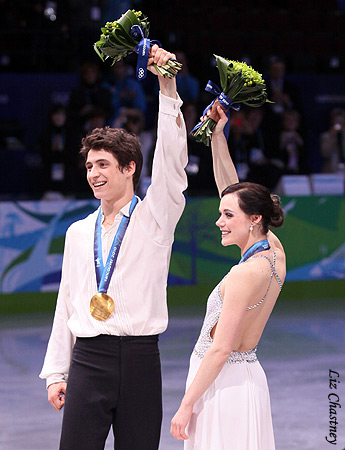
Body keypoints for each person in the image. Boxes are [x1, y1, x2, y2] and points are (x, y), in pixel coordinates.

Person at [39, 45, 188, 450]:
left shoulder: (155, 220)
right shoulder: (76, 233)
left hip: (141, 360)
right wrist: (56, 372)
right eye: (89, 165)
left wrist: (167, 85)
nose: (94, 173)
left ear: (129, 168)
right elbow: (66, 303)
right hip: (87, 359)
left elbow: (172, 166)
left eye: (103, 164)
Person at [171, 105, 286, 449]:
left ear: (253, 219)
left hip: (221, 386)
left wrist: (186, 403)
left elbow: (221, 349)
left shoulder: (243, 274)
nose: (219, 221)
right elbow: (233, 189)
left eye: (226, 215)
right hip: (247, 381)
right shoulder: (275, 254)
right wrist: (218, 137)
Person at [320, 107, 345, 173]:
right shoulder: (326, 136)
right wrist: (332, 137)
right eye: (337, 122)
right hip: (332, 170)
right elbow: (325, 153)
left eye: (341, 122)